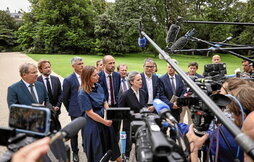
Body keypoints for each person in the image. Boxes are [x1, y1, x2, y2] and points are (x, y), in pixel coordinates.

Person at [186, 83, 254, 162]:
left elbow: (209, 138)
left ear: (243, 115)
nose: (232, 116)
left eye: (232, 112)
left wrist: (194, 150)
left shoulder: (226, 136)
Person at [78, 66, 121, 162]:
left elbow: (104, 101)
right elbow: (90, 113)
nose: (98, 76)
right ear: (87, 77)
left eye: (97, 74)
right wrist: (104, 122)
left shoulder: (98, 86)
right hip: (93, 124)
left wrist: (109, 112)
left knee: (112, 145)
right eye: (94, 75)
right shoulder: (82, 93)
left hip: (104, 120)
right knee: (98, 152)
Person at [118, 71, 148, 158]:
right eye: (138, 80)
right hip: (129, 126)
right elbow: (121, 112)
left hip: (142, 125)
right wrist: (135, 114)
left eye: (141, 79)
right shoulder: (125, 95)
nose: (141, 81)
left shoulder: (143, 92)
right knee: (127, 148)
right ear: (131, 82)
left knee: (141, 148)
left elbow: (144, 105)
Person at [62, 56, 84, 162]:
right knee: (74, 134)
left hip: (87, 110)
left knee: (87, 131)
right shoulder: (68, 80)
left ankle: (87, 148)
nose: (82, 65)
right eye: (79, 64)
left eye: (82, 63)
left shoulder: (86, 76)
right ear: (73, 66)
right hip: (75, 111)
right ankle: (75, 152)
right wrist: (71, 109)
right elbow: (65, 98)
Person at [98, 55, 121, 141]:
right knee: (105, 130)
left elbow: (117, 91)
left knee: (116, 129)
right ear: (103, 65)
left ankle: (116, 150)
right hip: (103, 107)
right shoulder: (98, 76)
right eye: (110, 63)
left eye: (114, 63)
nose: (113, 65)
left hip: (115, 106)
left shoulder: (117, 76)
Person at [37, 59, 62, 130]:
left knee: (56, 125)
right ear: (40, 70)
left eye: (49, 67)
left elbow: (60, 93)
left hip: (56, 109)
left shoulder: (56, 79)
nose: (48, 69)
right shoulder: (37, 81)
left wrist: (58, 105)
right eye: (46, 68)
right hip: (44, 109)